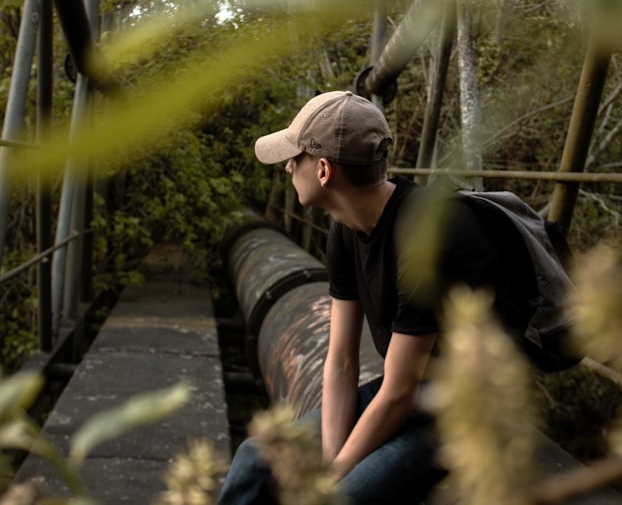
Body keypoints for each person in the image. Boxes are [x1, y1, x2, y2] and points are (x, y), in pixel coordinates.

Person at [218, 90, 536, 505]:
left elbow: (401, 392)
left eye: (293, 158)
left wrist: (333, 479)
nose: (287, 168)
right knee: (252, 458)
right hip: (405, 395)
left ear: (324, 170)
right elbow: (342, 360)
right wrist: (333, 460)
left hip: (460, 415)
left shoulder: (427, 234)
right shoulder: (344, 229)